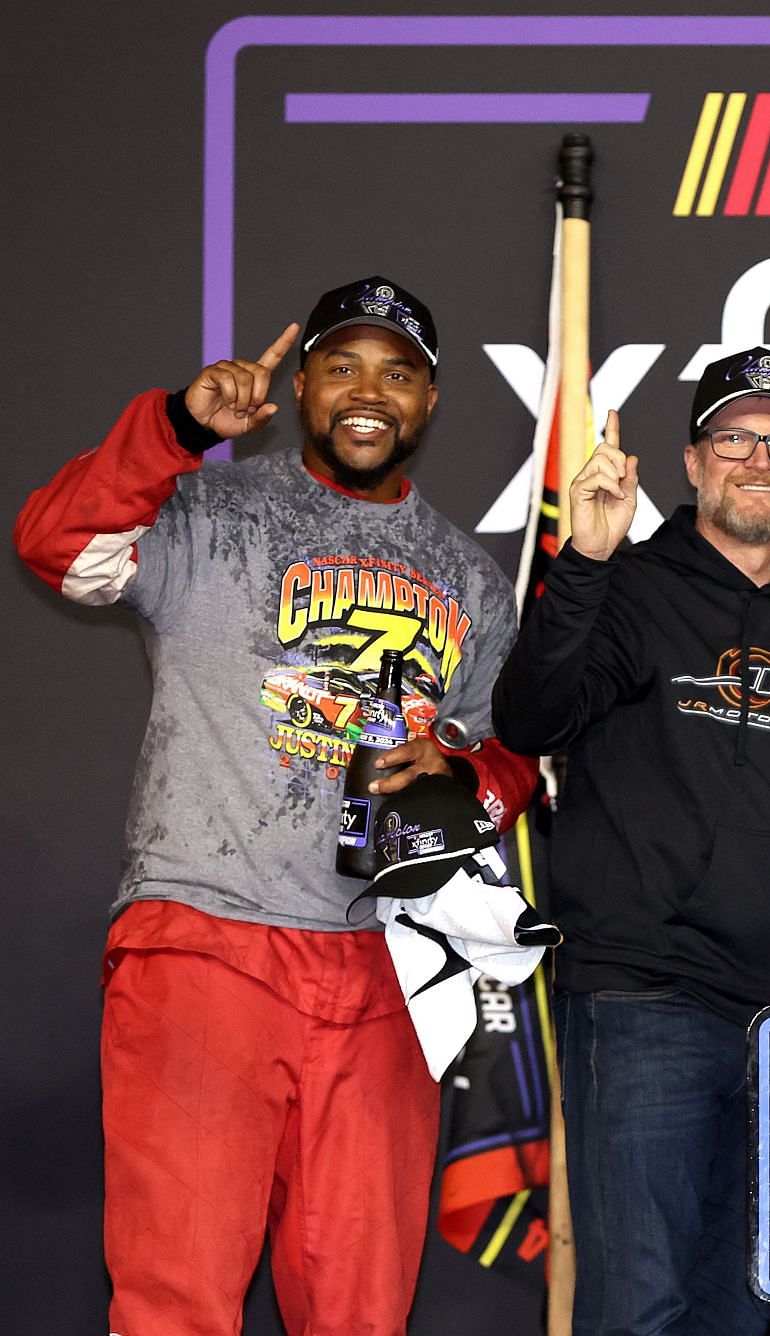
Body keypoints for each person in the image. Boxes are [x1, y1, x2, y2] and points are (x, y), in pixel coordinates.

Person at [13, 276, 538, 1335]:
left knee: (362, 1311)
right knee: (179, 1301)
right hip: (207, 937)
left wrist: (457, 777)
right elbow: (56, 545)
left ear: (429, 402)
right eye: (342, 364)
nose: (368, 392)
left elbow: (505, 755)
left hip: (384, 965)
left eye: (398, 373)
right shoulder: (210, 510)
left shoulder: (469, 580)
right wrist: (173, 429)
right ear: (301, 384)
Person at [490, 347, 770, 1335]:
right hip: (644, 998)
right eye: (735, 436)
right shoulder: (627, 585)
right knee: (639, 1307)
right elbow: (529, 716)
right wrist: (585, 560)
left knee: (737, 1315)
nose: (760, 458)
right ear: (693, 463)